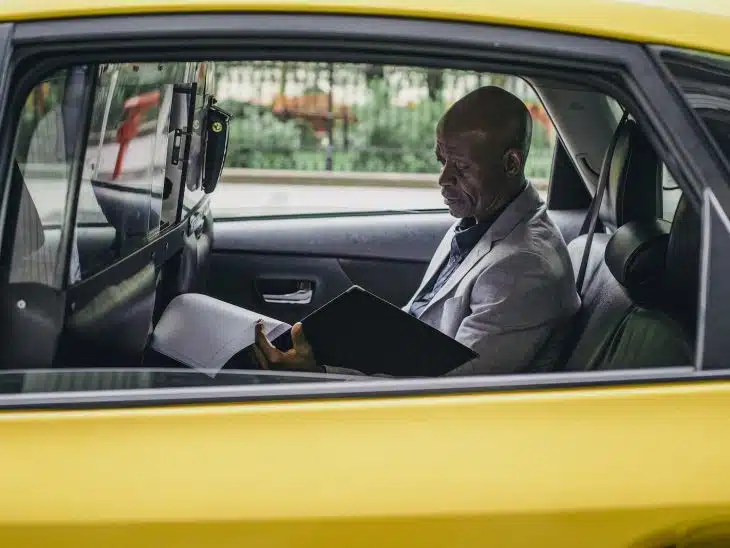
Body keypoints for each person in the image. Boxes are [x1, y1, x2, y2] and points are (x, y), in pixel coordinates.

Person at [252, 86, 581, 376]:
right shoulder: (477, 224)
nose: (443, 179)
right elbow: (417, 325)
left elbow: (450, 390)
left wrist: (320, 372)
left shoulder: (525, 268)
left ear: (511, 164)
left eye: (461, 167)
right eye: (442, 162)